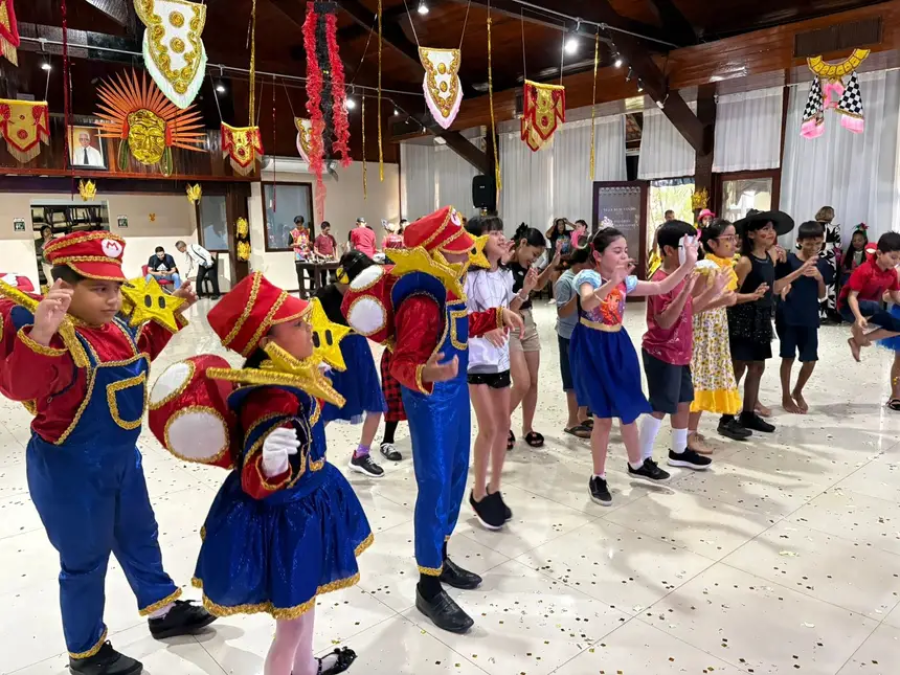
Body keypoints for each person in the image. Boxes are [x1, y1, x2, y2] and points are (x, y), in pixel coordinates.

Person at [0, 232, 214, 675]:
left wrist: (174, 309)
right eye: (98, 289)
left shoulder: (116, 328)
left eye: (115, 287)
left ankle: (161, 609)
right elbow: (17, 387)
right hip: (68, 470)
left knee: (140, 536)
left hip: (122, 461)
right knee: (84, 560)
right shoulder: (57, 339)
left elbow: (141, 350)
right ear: (62, 287)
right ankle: (86, 652)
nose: (113, 299)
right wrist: (40, 331)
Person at [157, 271, 370, 675]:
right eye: (298, 325)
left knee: (304, 608)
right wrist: (269, 463)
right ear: (268, 344)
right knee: (291, 623)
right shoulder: (270, 397)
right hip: (285, 520)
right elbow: (255, 477)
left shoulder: (289, 377)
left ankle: (306, 668)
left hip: (306, 505)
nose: (310, 329)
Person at [341, 206, 524, 633]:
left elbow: (460, 326)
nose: (466, 260)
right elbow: (401, 361)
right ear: (437, 255)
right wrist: (426, 373)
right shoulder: (423, 301)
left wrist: (496, 316)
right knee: (436, 481)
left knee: (458, 473)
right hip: (429, 399)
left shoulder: (449, 290)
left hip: (454, 393)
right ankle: (427, 585)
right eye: (459, 254)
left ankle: (439, 557)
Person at [571, 226, 698, 506]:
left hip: (618, 344)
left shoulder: (625, 281)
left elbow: (661, 286)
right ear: (597, 254)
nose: (623, 255)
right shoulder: (587, 277)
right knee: (603, 417)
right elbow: (588, 301)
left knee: (628, 409)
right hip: (592, 348)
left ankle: (637, 463)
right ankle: (598, 476)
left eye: (625, 250)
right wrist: (613, 280)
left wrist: (687, 265)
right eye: (616, 251)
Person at [639, 221, 725, 474]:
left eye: (695, 245)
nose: (694, 252)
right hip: (661, 352)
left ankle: (678, 451)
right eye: (687, 246)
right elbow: (664, 321)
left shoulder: (683, 276)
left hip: (681, 351)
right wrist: (687, 287)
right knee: (659, 406)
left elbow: (690, 309)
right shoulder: (661, 279)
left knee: (683, 401)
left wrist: (713, 291)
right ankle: (641, 458)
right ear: (668, 250)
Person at [464, 216, 524, 530]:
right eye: (493, 232)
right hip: (476, 360)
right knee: (487, 428)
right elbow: (461, 316)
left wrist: (524, 292)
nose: (501, 237)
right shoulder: (468, 277)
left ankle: (495, 488)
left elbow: (508, 307)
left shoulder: (504, 274)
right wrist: (484, 327)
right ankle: (476, 492)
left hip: (500, 358)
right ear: (476, 241)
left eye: (502, 231)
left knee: (504, 425)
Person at [318, 252, 387, 478]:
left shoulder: (361, 298)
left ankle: (362, 454)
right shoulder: (322, 297)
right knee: (324, 411)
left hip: (359, 353)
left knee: (376, 405)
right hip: (331, 359)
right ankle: (310, 454)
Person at [725, 210, 795, 434]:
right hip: (743, 317)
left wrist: (798, 273)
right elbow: (730, 296)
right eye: (765, 229)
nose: (771, 233)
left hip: (762, 317)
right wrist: (751, 296)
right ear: (751, 234)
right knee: (738, 367)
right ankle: (726, 418)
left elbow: (772, 286)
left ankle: (747, 414)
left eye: (772, 229)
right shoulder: (745, 261)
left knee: (758, 366)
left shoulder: (769, 257)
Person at [688, 220, 747, 452]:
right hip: (703, 332)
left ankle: (690, 431)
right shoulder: (707, 267)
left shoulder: (720, 266)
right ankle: (688, 435)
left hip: (714, 331)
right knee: (698, 381)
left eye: (735, 238)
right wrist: (722, 300)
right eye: (728, 239)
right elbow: (692, 305)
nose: (734, 243)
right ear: (712, 243)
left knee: (704, 380)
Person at [505, 224, 561, 449]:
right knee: (522, 382)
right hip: (510, 323)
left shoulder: (525, 266)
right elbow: (509, 303)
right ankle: (500, 423)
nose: (534, 260)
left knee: (533, 382)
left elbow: (537, 285)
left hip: (528, 322)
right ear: (523, 244)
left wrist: (551, 266)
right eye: (534, 255)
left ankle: (527, 427)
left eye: (539, 257)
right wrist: (527, 288)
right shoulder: (503, 267)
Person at [775, 221, 831, 414]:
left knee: (810, 360)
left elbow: (822, 295)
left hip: (809, 317)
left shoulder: (822, 264)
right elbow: (778, 283)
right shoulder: (788, 260)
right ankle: (785, 396)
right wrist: (785, 286)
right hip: (788, 316)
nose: (814, 248)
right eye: (809, 243)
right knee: (787, 357)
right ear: (799, 241)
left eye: (818, 244)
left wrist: (819, 278)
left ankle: (797, 391)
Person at [840, 231, 900, 361]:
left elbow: (895, 296)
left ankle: (858, 341)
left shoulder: (893, 273)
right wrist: (859, 316)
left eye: (899, 258)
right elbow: (851, 297)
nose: (896, 262)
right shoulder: (864, 270)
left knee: (898, 326)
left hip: (870, 309)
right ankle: (857, 329)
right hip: (848, 307)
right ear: (879, 253)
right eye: (893, 257)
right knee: (870, 305)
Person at [555, 245, 594, 438]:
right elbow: (562, 313)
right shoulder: (565, 281)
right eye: (590, 263)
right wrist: (579, 294)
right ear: (581, 263)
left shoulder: (590, 279)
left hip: (587, 334)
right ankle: (571, 421)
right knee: (571, 379)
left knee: (586, 377)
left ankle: (582, 415)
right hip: (569, 335)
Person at [378, 348, 406, 462]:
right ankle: (387, 441)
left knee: (423, 400)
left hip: (423, 353)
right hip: (395, 353)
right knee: (394, 399)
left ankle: (425, 442)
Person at [816, 206, 841, 322]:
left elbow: (798, 245)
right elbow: (838, 245)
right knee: (830, 284)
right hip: (830, 258)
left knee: (814, 283)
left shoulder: (811, 227)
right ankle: (829, 311)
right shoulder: (834, 228)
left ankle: (816, 311)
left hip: (814, 256)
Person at [314, 222, 339, 287]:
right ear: (322, 229)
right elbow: (315, 250)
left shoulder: (331, 237)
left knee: (333, 274)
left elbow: (335, 247)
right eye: (326, 230)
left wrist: (336, 256)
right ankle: (324, 289)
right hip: (323, 260)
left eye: (329, 229)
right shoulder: (318, 238)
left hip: (331, 259)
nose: (328, 231)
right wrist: (323, 256)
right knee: (323, 275)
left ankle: (333, 288)